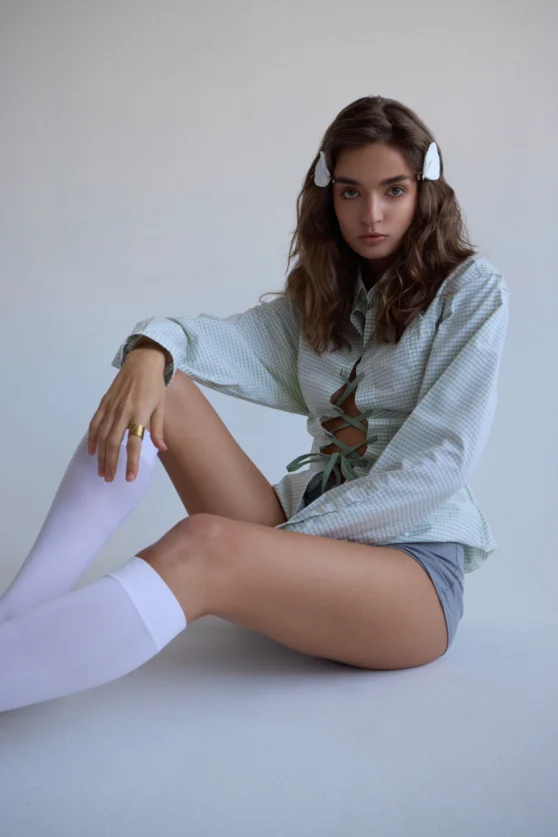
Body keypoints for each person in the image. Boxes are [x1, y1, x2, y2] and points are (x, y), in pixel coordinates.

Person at [0, 95, 509, 712]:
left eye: (393, 191)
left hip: (411, 580)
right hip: (303, 554)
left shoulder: (472, 293)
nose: (371, 214)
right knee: (168, 386)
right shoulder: (322, 297)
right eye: (350, 192)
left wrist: (287, 542)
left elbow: (436, 467)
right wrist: (149, 349)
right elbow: (205, 341)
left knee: (204, 543)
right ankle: (16, 615)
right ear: (328, 195)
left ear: (424, 192)